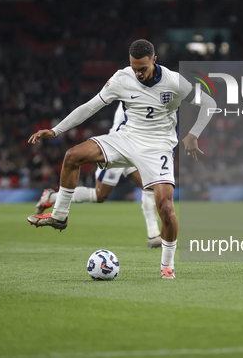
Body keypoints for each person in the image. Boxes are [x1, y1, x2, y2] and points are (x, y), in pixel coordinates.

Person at [27, 39, 216, 279]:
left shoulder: (174, 82)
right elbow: (89, 107)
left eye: (143, 69)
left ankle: (167, 266)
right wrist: (55, 130)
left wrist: (193, 135)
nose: (138, 73)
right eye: (134, 67)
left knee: (166, 208)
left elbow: (209, 103)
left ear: (154, 61)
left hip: (158, 147)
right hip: (126, 138)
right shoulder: (122, 78)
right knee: (72, 155)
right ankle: (59, 215)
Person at [35, 104, 162, 248]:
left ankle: (153, 234)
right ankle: (52, 197)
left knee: (151, 185)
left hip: (139, 149)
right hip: (118, 147)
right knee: (99, 196)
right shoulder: (132, 92)